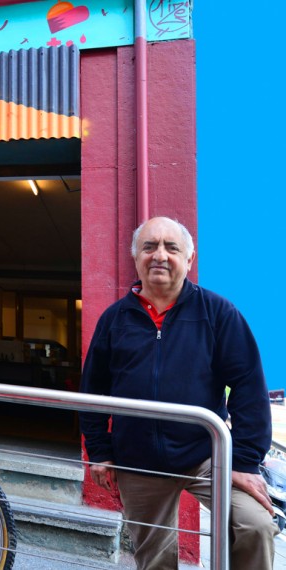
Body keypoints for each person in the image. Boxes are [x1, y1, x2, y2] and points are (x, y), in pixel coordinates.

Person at [80, 216, 277, 569]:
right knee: (154, 560)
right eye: (149, 247)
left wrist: (245, 462)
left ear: (189, 258)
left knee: (255, 525)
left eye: (171, 247)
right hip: (138, 459)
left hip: (206, 457)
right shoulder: (115, 320)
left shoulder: (218, 313)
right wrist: (100, 450)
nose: (159, 255)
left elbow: (249, 385)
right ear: (136, 257)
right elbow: (93, 389)